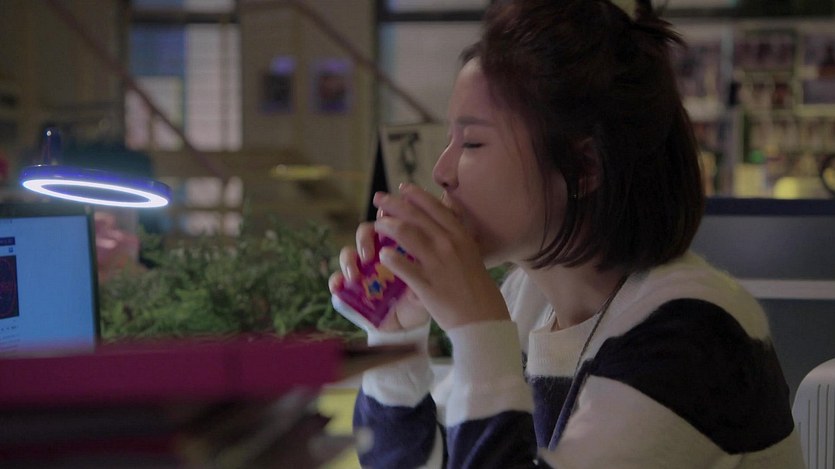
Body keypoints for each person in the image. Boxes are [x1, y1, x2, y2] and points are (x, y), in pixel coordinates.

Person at [329, 0, 804, 467]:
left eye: (472, 142)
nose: (442, 171)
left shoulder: (691, 337)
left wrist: (479, 332)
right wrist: (397, 343)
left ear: (584, 165)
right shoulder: (528, 301)